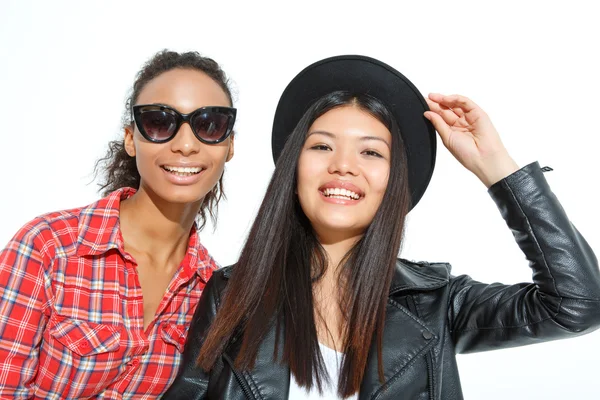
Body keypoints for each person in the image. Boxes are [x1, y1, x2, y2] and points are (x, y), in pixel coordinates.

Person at [163, 55, 600, 399]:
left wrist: (496, 169)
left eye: (371, 153)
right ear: (294, 170)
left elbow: (577, 305)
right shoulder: (230, 294)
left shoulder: (435, 302)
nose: (343, 167)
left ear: (393, 182)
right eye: (321, 146)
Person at [0, 50, 236, 398]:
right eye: (159, 122)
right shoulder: (48, 248)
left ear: (229, 145)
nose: (186, 144)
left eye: (209, 126)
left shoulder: (213, 295)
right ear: (130, 138)